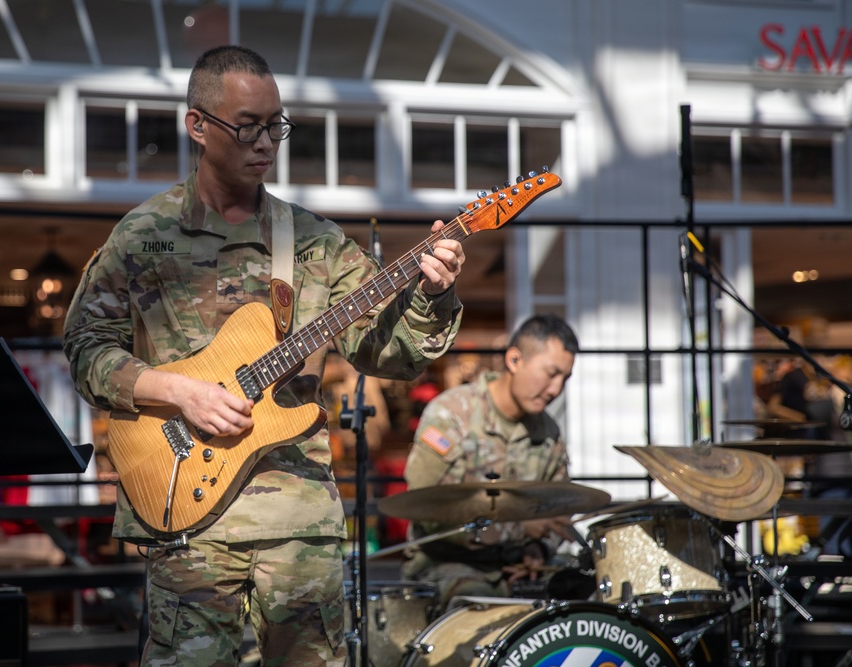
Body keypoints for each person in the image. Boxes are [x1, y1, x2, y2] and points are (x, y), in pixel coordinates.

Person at [63, 45, 465, 667]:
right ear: (197, 125)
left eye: (275, 125)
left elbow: (387, 354)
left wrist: (431, 296)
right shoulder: (145, 235)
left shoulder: (316, 244)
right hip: (184, 520)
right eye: (246, 125)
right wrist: (178, 392)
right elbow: (86, 348)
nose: (266, 141)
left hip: (298, 524)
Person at [400, 314, 579, 609]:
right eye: (551, 373)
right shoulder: (452, 414)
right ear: (514, 360)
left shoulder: (548, 432)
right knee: (487, 608)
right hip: (446, 563)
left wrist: (537, 550)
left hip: (516, 568)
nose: (556, 389)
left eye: (565, 378)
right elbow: (427, 510)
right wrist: (520, 529)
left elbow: (559, 509)